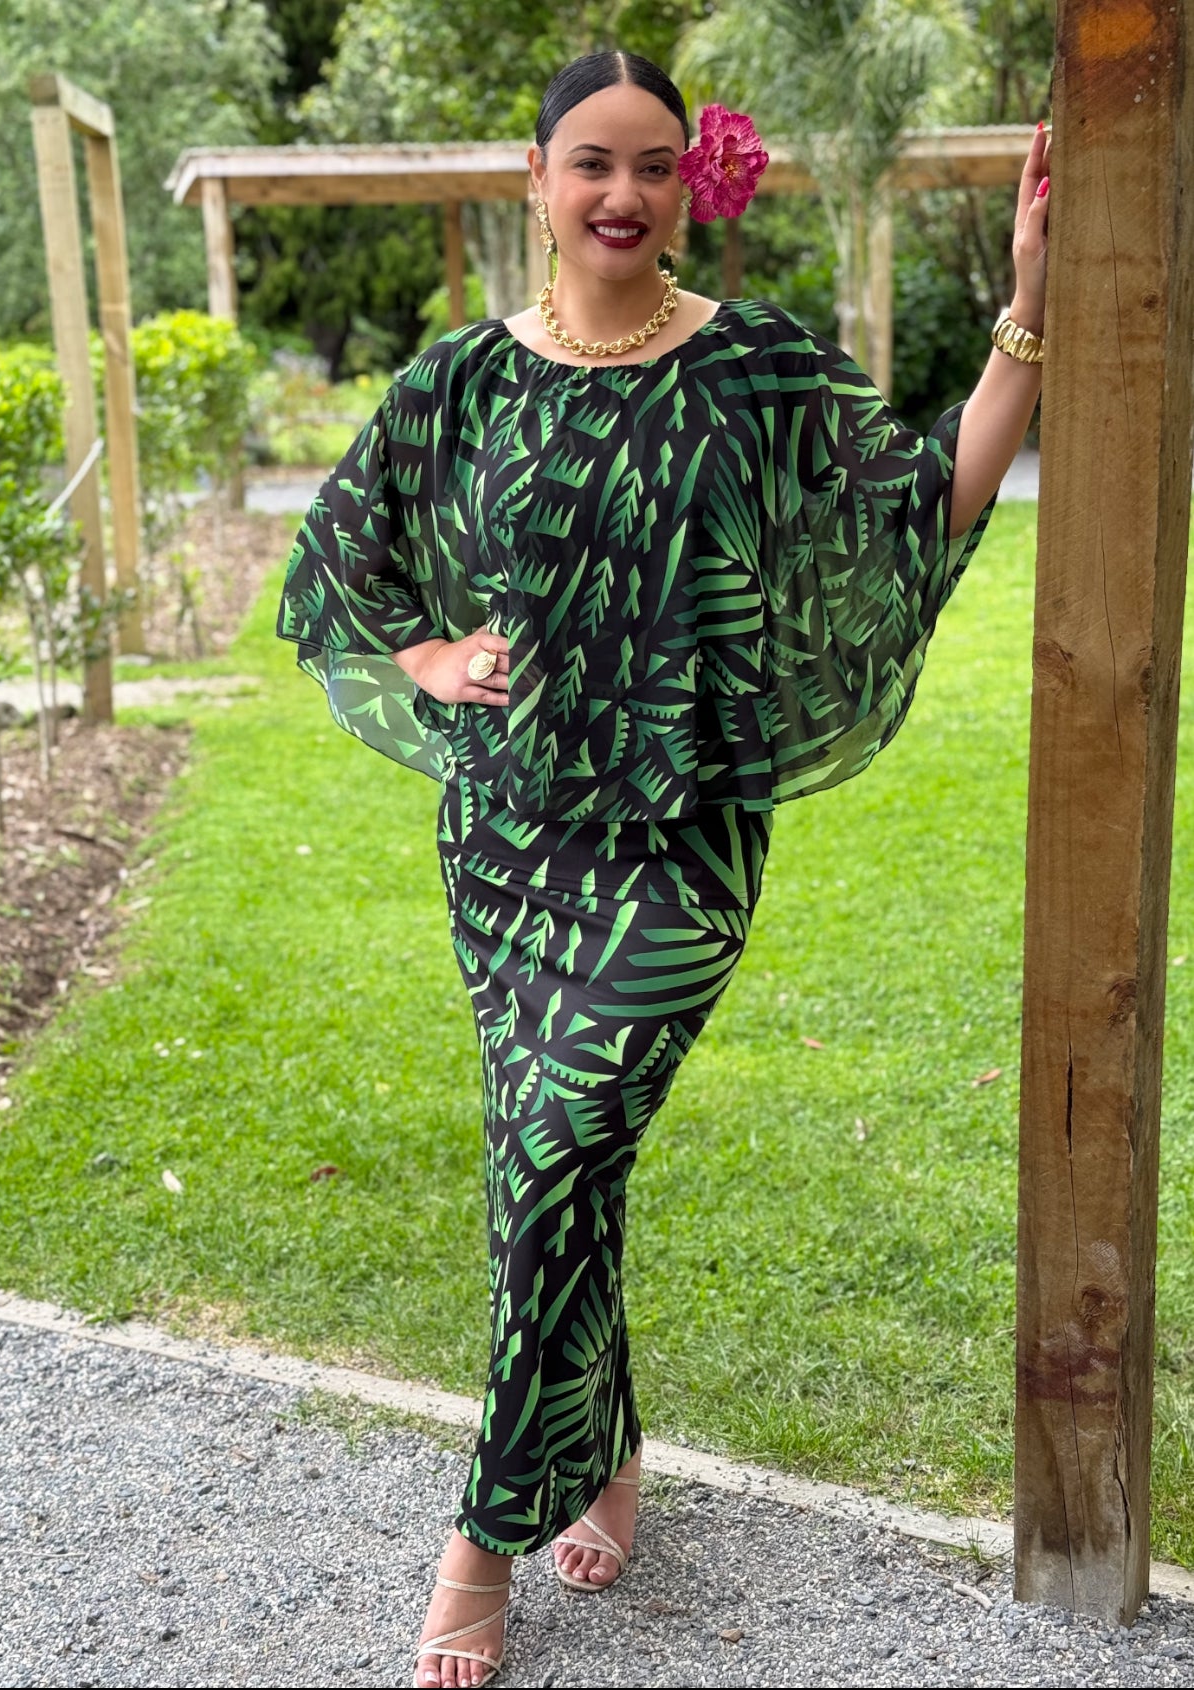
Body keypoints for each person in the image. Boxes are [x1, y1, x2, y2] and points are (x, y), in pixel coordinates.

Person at [277, 48, 1049, 1690]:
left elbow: (932, 496)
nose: (618, 194)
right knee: (545, 1168)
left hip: (679, 847)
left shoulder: (756, 370)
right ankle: (608, 1440)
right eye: (586, 164)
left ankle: (478, 1539)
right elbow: (339, 558)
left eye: (647, 163)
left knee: (557, 1146)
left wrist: (1025, 313)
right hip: (507, 841)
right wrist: (422, 654)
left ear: (686, 180)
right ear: (535, 181)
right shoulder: (459, 383)